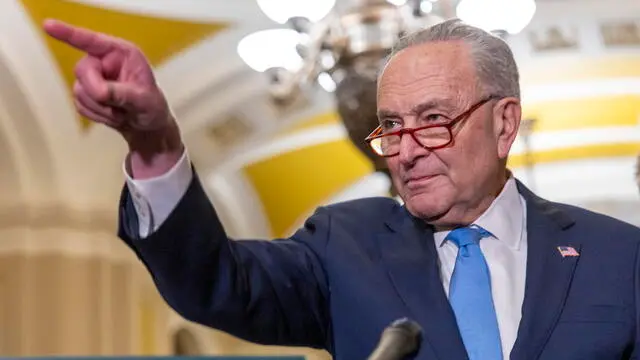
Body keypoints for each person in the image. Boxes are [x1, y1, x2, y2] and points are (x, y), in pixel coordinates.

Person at [43, 17, 640, 360]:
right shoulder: (342, 246)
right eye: (391, 127)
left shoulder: (619, 256)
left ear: (504, 123)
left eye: (433, 120)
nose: (405, 151)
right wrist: (155, 143)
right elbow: (215, 283)